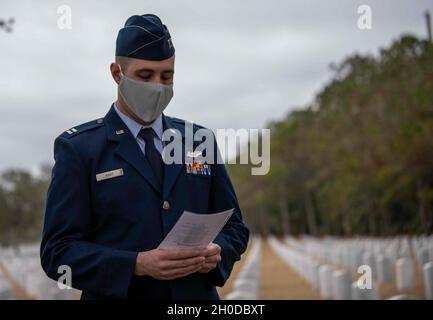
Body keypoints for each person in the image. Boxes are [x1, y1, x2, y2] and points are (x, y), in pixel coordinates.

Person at [40, 13, 249, 300]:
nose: (157, 86)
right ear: (117, 73)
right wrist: (136, 265)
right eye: (145, 75)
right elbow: (57, 253)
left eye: (167, 76)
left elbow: (235, 227)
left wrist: (218, 252)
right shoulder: (79, 149)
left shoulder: (199, 141)